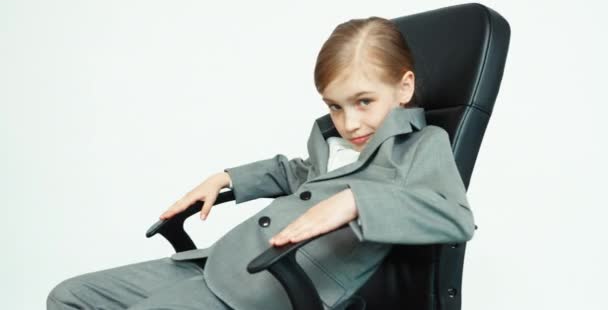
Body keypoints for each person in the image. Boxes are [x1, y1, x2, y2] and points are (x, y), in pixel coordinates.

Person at [47, 16, 475, 309]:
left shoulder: (421, 146)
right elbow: (298, 173)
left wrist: (354, 201)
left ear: (403, 88)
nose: (349, 122)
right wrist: (227, 177)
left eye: (364, 101)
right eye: (335, 107)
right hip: (222, 262)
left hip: (275, 289)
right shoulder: (333, 141)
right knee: (70, 297)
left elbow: (456, 218)